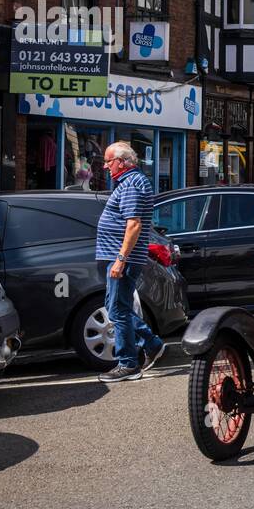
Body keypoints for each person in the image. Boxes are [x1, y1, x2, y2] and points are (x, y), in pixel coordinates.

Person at [95, 142, 164, 383]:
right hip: (120, 257)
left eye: (108, 161)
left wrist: (120, 259)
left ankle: (128, 363)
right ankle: (151, 344)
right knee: (116, 307)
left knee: (118, 310)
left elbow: (134, 224)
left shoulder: (132, 184)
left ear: (122, 162)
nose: (105, 166)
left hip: (122, 257)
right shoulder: (129, 182)